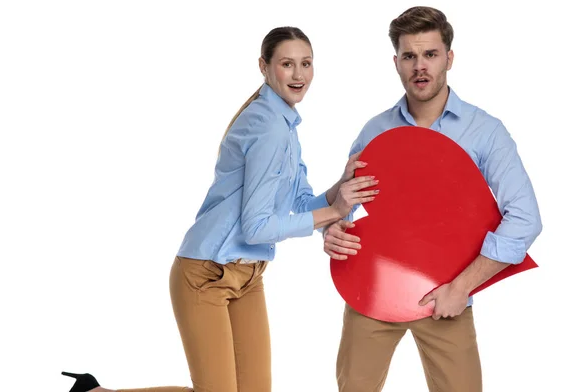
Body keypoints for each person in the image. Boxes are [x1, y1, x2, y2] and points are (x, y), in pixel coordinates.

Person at [62, 26, 379, 392]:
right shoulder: (268, 127)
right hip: (205, 275)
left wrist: (340, 188)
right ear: (264, 66)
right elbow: (256, 228)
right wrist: (332, 212)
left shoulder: (285, 125)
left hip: (248, 276)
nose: (299, 75)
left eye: (306, 64)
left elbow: (298, 202)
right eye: (287, 64)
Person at [323, 6, 542, 392]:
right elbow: (341, 205)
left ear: (449, 58)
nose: (419, 67)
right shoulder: (376, 130)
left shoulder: (484, 131)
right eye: (409, 56)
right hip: (373, 292)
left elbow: (525, 218)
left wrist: (461, 288)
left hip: (447, 299)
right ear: (396, 62)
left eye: (430, 54)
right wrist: (332, 225)